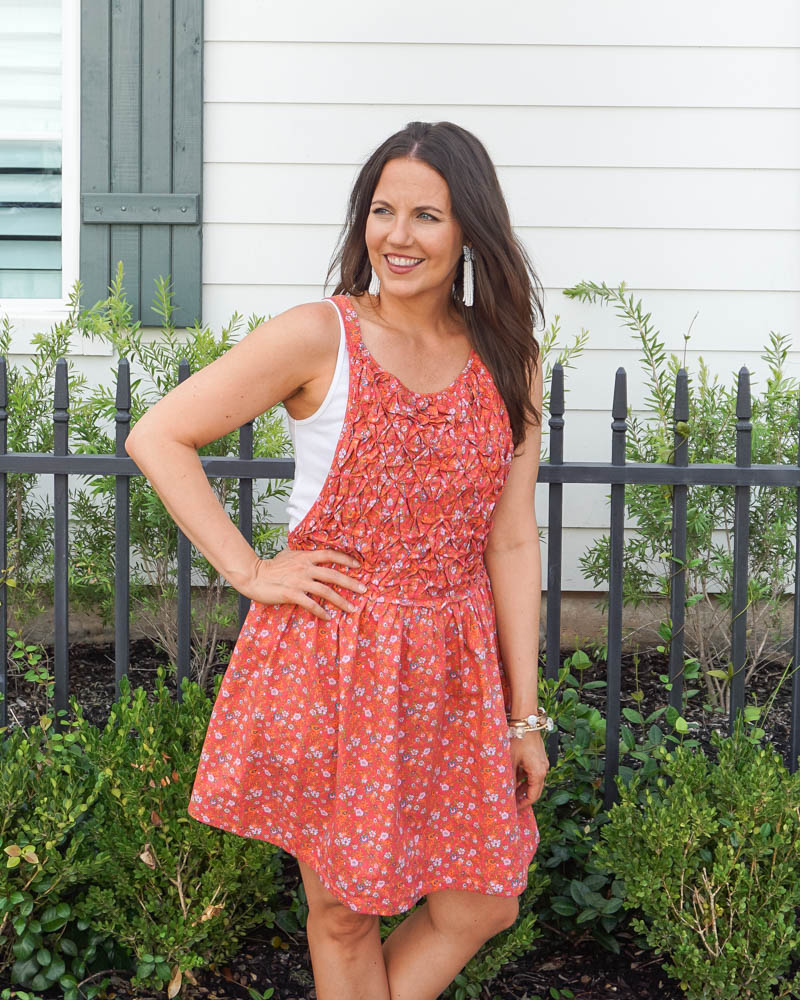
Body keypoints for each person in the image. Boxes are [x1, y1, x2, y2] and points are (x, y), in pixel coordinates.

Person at [125, 120, 550, 1000]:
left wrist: (524, 712)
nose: (399, 235)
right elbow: (160, 434)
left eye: (427, 215)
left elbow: (510, 538)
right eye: (382, 211)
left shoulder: (509, 357)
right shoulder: (320, 336)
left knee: (482, 902)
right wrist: (249, 570)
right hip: (337, 658)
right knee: (345, 913)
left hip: (456, 667)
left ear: (470, 228)